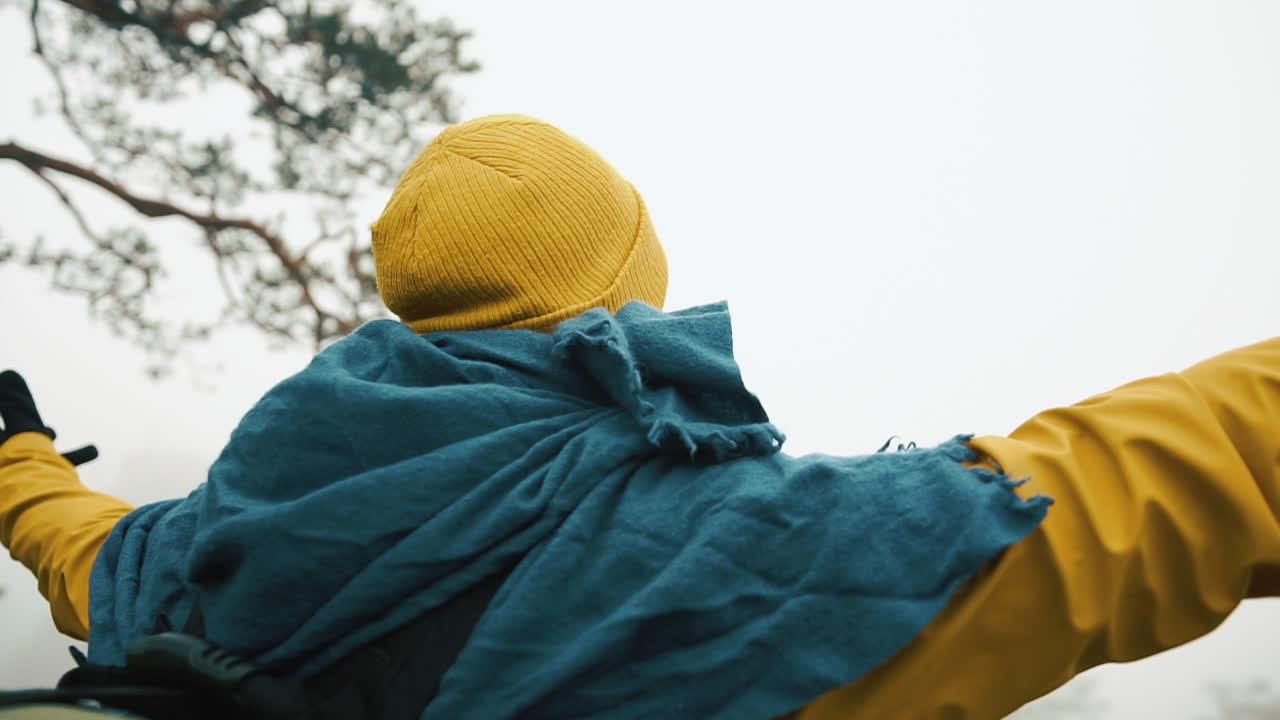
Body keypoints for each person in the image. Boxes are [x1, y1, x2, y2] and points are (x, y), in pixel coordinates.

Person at [1, 114, 1277, 720]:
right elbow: (1140, 485)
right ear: (620, 308)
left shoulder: (218, 538)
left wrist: (16, 455)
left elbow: (80, 547)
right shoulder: (735, 556)